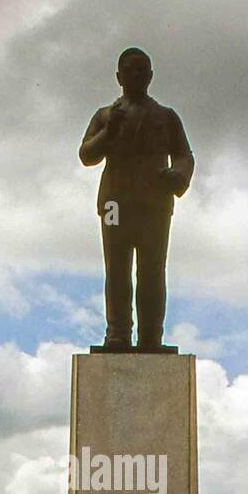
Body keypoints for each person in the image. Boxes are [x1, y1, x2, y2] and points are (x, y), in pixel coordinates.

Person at [79, 47, 195, 351]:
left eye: (141, 70)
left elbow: (184, 155)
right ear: (118, 76)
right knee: (116, 271)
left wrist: (178, 176)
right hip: (115, 203)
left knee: (152, 272)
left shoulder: (167, 117)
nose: (135, 75)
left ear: (151, 76)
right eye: (129, 70)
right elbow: (87, 155)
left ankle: (150, 337)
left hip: (154, 204)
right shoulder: (105, 116)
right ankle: (117, 333)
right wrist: (109, 131)